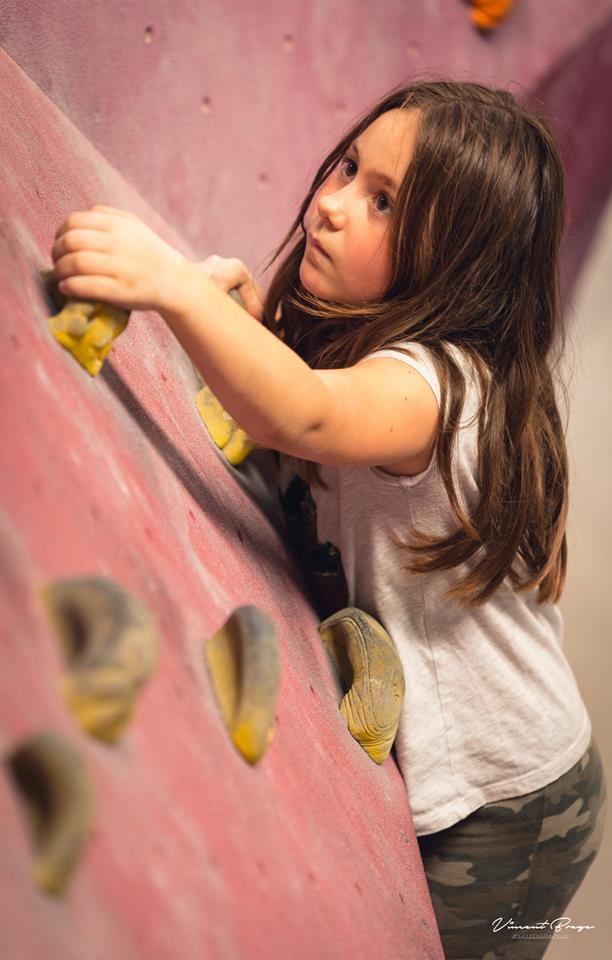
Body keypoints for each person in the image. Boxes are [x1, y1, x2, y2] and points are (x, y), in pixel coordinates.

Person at [51, 79, 606, 959]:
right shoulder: (374, 340)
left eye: (384, 203)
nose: (334, 206)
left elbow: (306, 414)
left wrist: (173, 289)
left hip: (512, 803)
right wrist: (248, 329)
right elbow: (305, 398)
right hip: (494, 787)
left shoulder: (444, 388)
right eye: (348, 167)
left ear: (459, 261)